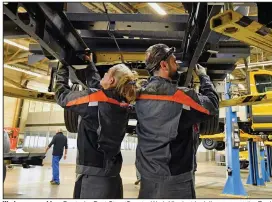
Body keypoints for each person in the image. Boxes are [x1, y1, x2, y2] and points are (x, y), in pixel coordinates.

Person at [135, 44, 219, 198]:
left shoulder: (138, 95)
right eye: (174, 62)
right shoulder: (180, 96)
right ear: (164, 65)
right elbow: (212, 106)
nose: (178, 65)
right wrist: (204, 77)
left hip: (147, 179)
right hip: (174, 182)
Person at [55, 53, 138, 198]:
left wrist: (62, 66)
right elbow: (97, 89)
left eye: (106, 74)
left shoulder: (97, 100)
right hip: (112, 177)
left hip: (94, 181)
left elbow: (61, 96)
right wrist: (89, 65)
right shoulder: (122, 103)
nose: (103, 75)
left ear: (111, 80)